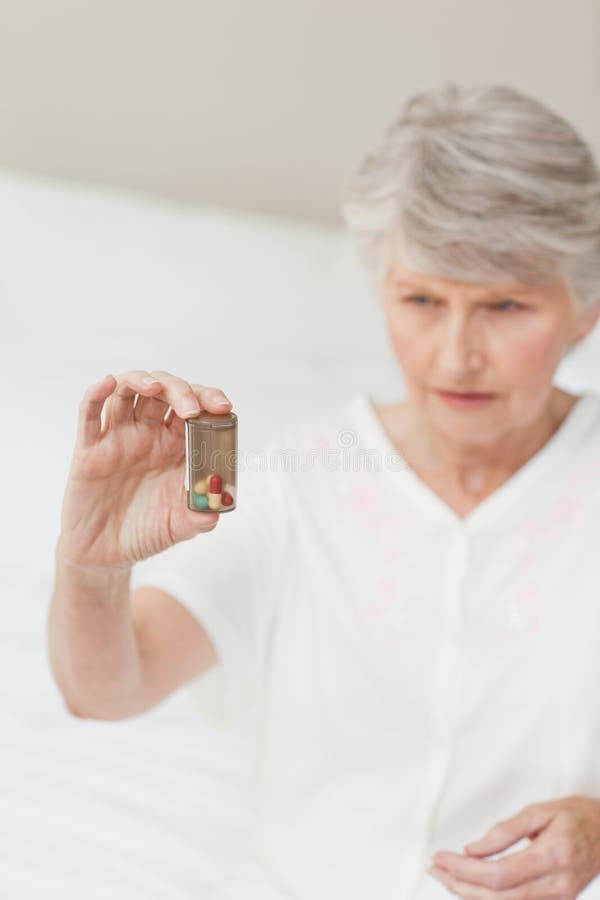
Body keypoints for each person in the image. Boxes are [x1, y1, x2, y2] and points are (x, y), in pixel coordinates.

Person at [47, 82, 600, 900]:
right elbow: (106, 690)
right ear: (381, 291)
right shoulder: (299, 481)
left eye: (505, 305)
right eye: (422, 300)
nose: (455, 356)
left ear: (583, 308)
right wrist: (91, 567)